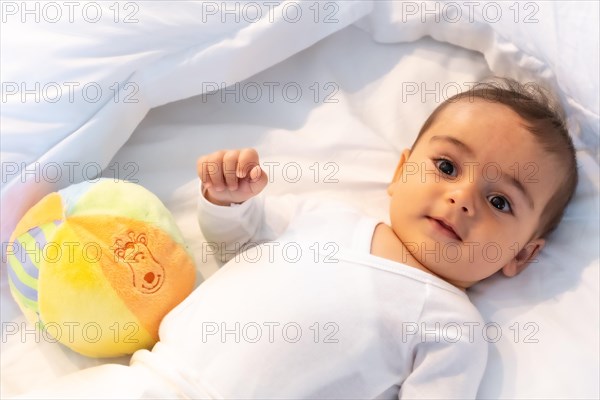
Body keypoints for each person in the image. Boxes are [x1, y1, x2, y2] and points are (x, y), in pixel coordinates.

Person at [16, 79, 578, 399]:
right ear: (401, 169)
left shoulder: (453, 327)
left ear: (522, 256)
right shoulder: (323, 218)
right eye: (448, 166)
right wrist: (229, 202)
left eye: (500, 202)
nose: (463, 199)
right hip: (147, 380)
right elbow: (237, 248)